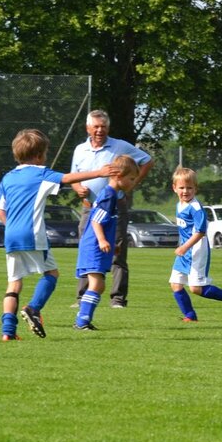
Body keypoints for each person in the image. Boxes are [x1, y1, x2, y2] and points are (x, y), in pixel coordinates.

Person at [0, 129, 118, 342]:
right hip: (32, 234)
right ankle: (33, 308)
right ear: (39, 155)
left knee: (14, 284)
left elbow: (1, 212)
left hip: (10, 236)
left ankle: (8, 332)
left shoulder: (7, 178)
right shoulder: (41, 173)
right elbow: (68, 178)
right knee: (51, 274)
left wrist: (13, 228)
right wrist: (99, 173)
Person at [70, 110, 153, 308]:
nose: (100, 130)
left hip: (115, 207)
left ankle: (117, 298)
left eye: (103, 127)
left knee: (117, 250)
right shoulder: (80, 150)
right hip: (88, 208)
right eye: (96, 126)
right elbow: (73, 176)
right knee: (87, 250)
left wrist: (133, 183)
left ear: (108, 128)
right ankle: (82, 297)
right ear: (88, 128)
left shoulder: (119, 146)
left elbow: (147, 160)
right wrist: (78, 188)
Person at [74, 155, 140, 331]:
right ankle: (81, 322)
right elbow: (96, 220)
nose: (133, 182)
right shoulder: (109, 195)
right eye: (131, 178)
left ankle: (83, 319)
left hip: (96, 244)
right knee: (96, 284)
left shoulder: (111, 194)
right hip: (94, 245)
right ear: (118, 176)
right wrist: (102, 240)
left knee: (99, 285)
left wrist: (112, 244)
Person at [168, 166, 222, 322]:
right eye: (181, 187)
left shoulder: (196, 208)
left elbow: (200, 232)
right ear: (174, 188)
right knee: (175, 284)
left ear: (196, 189)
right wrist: (183, 246)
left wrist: (184, 247)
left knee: (196, 288)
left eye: (189, 188)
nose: (185, 191)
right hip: (185, 251)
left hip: (196, 250)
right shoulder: (179, 205)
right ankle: (190, 316)